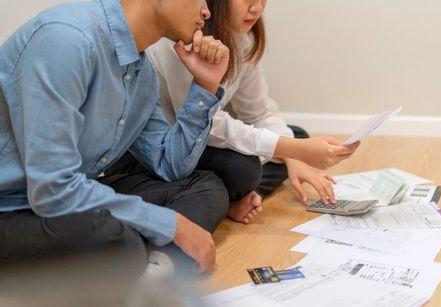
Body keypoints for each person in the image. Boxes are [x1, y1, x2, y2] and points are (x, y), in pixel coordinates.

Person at [0, 0, 232, 284]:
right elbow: (53, 190)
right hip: (12, 207)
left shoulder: (142, 73)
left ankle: (151, 272)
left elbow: (169, 165)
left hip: (58, 201)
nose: (207, 11)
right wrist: (171, 225)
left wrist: (205, 86)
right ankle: (143, 267)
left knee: (206, 188)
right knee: (117, 242)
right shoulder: (66, 38)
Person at [107, 0, 361, 225]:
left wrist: (294, 156)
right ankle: (228, 196)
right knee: (246, 170)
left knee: (294, 135)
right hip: (168, 147)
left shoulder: (243, 36)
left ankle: (235, 195)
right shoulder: (181, 40)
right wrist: (294, 150)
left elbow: (259, 110)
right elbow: (205, 125)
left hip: (196, 142)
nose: (257, 7)